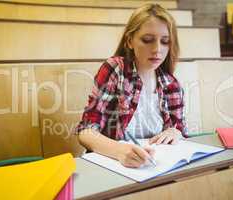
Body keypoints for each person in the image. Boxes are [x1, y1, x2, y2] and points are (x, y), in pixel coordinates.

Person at [76, 4, 188, 168]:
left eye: (165, 42)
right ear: (129, 41)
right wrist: (119, 151)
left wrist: (176, 132)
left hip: (154, 167)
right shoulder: (116, 69)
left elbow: (182, 131)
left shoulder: (171, 84)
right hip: (112, 165)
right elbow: (86, 132)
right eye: (147, 40)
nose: (157, 49)